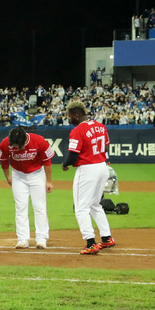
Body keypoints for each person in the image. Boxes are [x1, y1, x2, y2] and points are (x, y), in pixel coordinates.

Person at [63, 100, 116, 255]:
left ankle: (90, 243)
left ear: (76, 115)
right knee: (94, 204)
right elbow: (106, 147)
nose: (69, 119)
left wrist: (65, 164)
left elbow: (73, 155)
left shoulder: (77, 130)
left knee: (81, 208)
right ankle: (106, 238)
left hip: (87, 169)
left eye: (70, 116)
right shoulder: (100, 126)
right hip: (102, 167)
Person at [0, 126, 54, 249]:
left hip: (37, 174)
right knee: (20, 207)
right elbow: (3, 160)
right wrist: (7, 176)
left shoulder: (39, 141)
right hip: (18, 175)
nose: (17, 148)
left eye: (19, 146)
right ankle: (22, 239)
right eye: (15, 146)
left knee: (39, 207)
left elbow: (47, 161)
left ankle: (41, 238)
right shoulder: (5, 143)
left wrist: (48, 181)